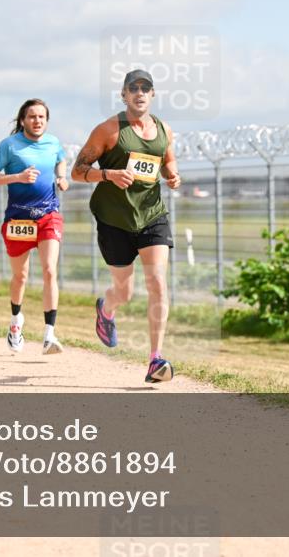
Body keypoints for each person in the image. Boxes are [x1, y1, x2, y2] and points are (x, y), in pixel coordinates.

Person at [71, 69, 182, 383]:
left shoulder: (164, 130)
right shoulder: (108, 130)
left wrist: (172, 176)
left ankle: (155, 360)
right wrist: (109, 175)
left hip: (151, 216)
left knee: (158, 282)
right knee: (124, 291)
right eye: (133, 88)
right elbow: (78, 171)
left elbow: (167, 161)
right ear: (123, 95)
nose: (139, 93)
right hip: (114, 220)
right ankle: (106, 310)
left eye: (145, 88)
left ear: (152, 94)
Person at [0, 98, 69, 355]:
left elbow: (60, 159)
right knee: (21, 276)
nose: (37, 121)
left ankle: (49, 335)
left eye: (42, 117)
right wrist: (17, 177)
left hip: (48, 216)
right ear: (23, 120)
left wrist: (62, 176)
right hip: (18, 220)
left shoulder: (53, 142)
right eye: (32, 116)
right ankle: (16, 322)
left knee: (49, 270)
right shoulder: (9, 146)